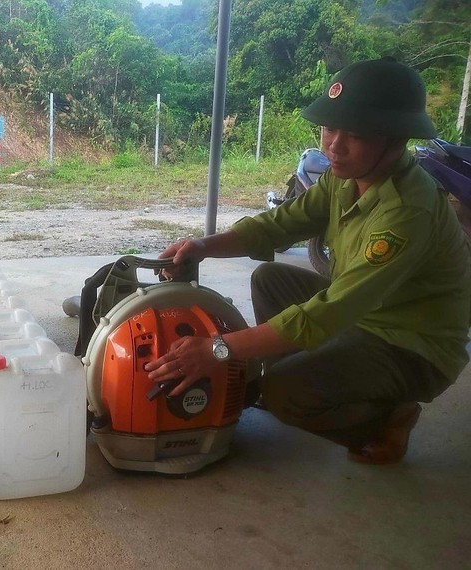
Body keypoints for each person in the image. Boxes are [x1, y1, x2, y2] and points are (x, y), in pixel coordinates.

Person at [145, 57, 471, 465]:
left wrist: (217, 349)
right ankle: (304, 375)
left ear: (396, 139)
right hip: (367, 313)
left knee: (283, 393)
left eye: (353, 134)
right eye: (329, 128)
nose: (333, 146)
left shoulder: (406, 213)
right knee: (270, 278)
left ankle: (389, 417)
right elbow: (279, 225)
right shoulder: (345, 176)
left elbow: (326, 315)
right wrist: (201, 245)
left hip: (411, 342)